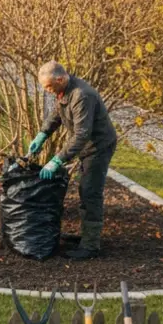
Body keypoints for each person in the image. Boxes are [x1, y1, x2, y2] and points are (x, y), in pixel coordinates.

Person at [27, 61, 119, 260]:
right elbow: (57, 114)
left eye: (49, 87)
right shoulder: (64, 90)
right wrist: (42, 134)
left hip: (98, 147)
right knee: (84, 189)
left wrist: (57, 160)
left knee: (90, 192)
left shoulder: (81, 95)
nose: (48, 91)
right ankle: (86, 237)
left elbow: (81, 135)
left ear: (60, 79)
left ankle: (91, 246)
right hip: (87, 146)